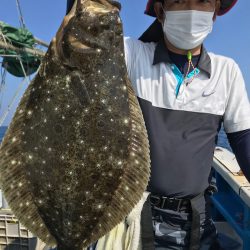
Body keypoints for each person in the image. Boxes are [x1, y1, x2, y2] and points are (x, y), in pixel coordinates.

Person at [66, 0, 250, 249]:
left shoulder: (226, 72)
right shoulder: (131, 55)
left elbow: (245, 144)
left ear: (216, 12)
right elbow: (85, 37)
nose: (190, 10)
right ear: (161, 11)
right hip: (134, 218)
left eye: (203, 1)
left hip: (198, 220)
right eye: (178, 1)